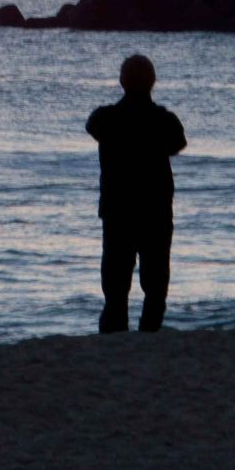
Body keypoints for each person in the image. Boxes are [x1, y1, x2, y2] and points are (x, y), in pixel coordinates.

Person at [85, 53, 186, 333]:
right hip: (154, 210)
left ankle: (116, 335)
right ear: (153, 82)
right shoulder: (164, 121)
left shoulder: (106, 119)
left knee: (115, 285)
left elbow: (92, 125)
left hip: (118, 210)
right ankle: (149, 333)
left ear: (121, 82)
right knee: (156, 284)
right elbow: (178, 142)